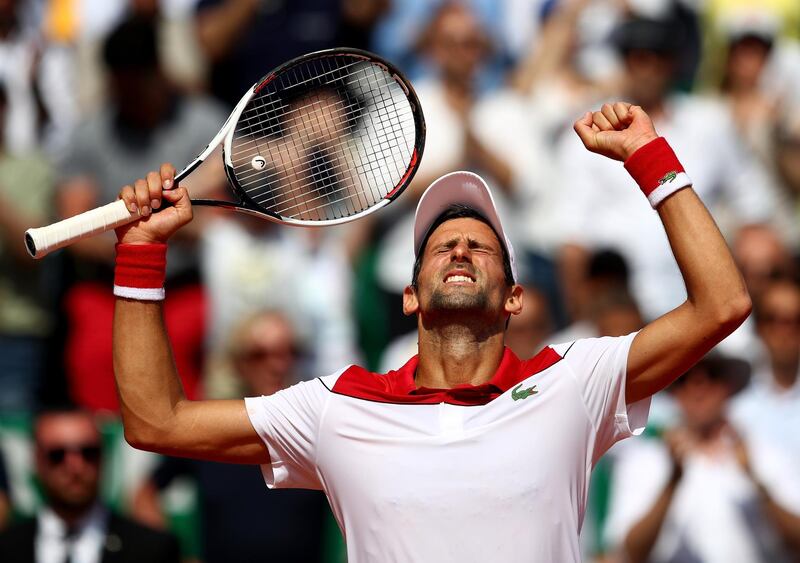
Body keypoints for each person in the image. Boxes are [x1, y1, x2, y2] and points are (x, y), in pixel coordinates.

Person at [110, 102, 752, 561]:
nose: (463, 251)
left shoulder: (573, 384)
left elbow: (722, 304)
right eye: (443, 246)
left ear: (515, 298)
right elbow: (155, 422)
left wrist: (649, 157)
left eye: (481, 246)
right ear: (411, 296)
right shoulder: (337, 407)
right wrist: (140, 252)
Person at [132, 311, 331, 562]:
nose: (277, 365)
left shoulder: (318, 429)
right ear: (240, 363)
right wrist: (175, 555)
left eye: (289, 352)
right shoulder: (214, 428)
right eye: (260, 354)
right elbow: (144, 494)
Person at [604, 352, 800, 562]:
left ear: (729, 387)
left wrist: (755, 479)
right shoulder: (645, 461)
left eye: (712, 375)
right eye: (684, 378)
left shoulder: (765, 454)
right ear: (674, 392)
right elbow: (630, 552)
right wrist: (672, 482)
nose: (698, 387)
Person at [0, 407, 180, 562]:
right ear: (36, 460)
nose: (75, 467)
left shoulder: (152, 549)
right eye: (57, 455)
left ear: (104, 457)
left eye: (88, 453)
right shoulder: (6, 549)